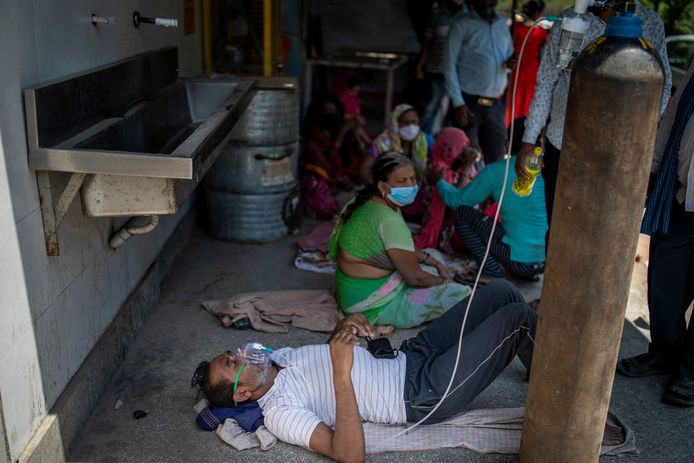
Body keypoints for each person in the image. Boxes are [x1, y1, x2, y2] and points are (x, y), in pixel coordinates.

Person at [192, 279, 537, 462]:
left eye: (233, 352)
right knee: (517, 321)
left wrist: (342, 328)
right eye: (234, 363)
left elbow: (323, 357)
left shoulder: (278, 357)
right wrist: (343, 373)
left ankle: (535, 358)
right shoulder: (280, 414)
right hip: (422, 392)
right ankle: (561, 390)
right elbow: (349, 454)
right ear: (241, 393)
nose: (242, 353)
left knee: (502, 292)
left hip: (410, 355)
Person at [516, 0, 671, 242]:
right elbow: (546, 82)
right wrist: (528, 140)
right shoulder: (570, 21)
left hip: (617, 155)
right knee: (559, 229)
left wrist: (640, 134)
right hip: (564, 143)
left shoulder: (649, 22)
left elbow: (663, 83)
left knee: (599, 236)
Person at [617, 62, 694, 407]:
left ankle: (689, 372)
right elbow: (676, 111)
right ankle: (663, 352)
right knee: (664, 279)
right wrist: (652, 168)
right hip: (680, 192)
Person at [328, 152, 471, 329]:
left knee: (433, 255)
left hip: (350, 292)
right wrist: (445, 282)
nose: (411, 185)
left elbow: (395, 253)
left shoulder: (371, 200)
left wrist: (434, 263)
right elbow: (416, 279)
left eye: (412, 179)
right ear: (383, 186)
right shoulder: (388, 219)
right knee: (462, 294)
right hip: (369, 306)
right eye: (402, 181)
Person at [433, 153, 547, 280]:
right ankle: (528, 272)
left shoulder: (498, 170)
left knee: (461, 213)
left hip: (519, 263)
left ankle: (490, 270)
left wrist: (440, 182)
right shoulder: (547, 168)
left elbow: (457, 201)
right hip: (545, 263)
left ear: (507, 143)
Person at [443, 0, 515, 164]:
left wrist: (510, 63)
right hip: (468, 103)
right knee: (464, 160)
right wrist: (458, 103)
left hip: (495, 104)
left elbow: (509, 54)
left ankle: (491, 191)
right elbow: (448, 66)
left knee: (496, 160)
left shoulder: (502, 24)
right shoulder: (462, 25)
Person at [414, 127, 475, 250]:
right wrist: (467, 167)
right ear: (449, 147)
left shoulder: (455, 169)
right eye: (461, 147)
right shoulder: (437, 169)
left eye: (466, 146)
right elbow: (457, 199)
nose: (465, 151)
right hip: (442, 228)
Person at [415, 0, 466, 134]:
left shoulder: (467, 16)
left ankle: (452, 142)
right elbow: (427, 44)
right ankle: (424, 143)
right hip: (437, 70)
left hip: (460, 73)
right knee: (431, 108)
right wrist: (420, 66)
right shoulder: (436, 16)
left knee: (456, 110)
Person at [505, 0, 549, 128]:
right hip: (519, 68)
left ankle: (518, 130)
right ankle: (513, 129)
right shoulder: (519, 27)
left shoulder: (536, 30)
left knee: (523, 100)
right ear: (537, 13)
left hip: (527, 70)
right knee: (517, 99)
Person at [370, 104, 431, 174]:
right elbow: (365, 169)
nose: (410, 126)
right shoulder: (382, 142)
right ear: (396, 124)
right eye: (405, 122)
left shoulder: (423, 140)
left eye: (413, 122)